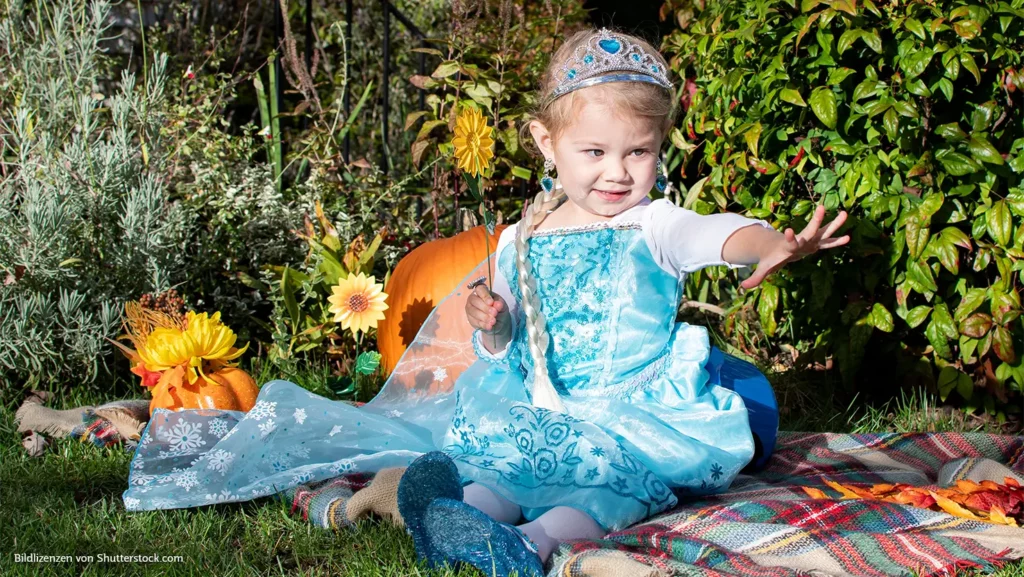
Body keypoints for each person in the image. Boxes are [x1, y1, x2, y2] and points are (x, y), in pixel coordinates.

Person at [122, 27, 847, 577]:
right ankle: (460, 519)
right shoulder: (520, 239)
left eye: (639, 152)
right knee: (501, 474)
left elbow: (716, 233)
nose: (619, 172)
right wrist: (490, 325)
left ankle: (525, 546)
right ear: (547, 143)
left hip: (624, 414)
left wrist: (768, 242)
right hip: (534, 409)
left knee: (591, 495)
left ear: (659, 147)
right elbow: (509, 345)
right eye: (595, 153)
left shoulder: (652, 224)